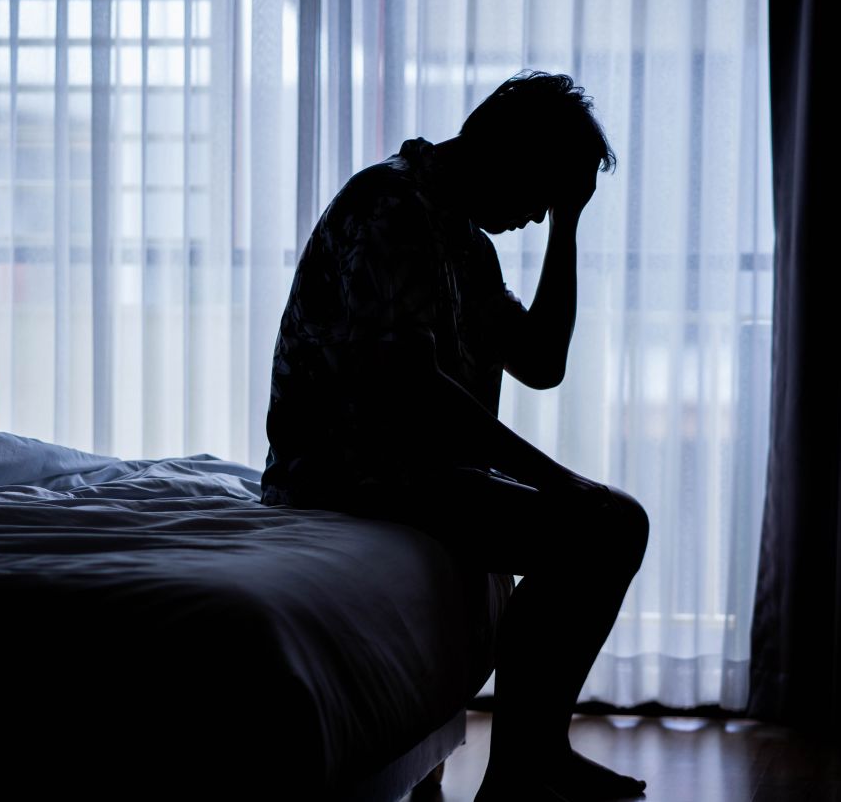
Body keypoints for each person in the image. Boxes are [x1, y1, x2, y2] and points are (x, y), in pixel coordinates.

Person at [262, 71, 649, 801]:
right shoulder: (391, 205)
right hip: (343, 472)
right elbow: (412, 386)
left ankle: (530, 756)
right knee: (607, 525)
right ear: (506, 149)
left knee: (614, 522)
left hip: (407, 469)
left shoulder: (463, 240)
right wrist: (555, 480)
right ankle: (526, 764)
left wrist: (570, 224)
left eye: (551, 203)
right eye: (542, 192)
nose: (537, 215)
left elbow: (541, 360)